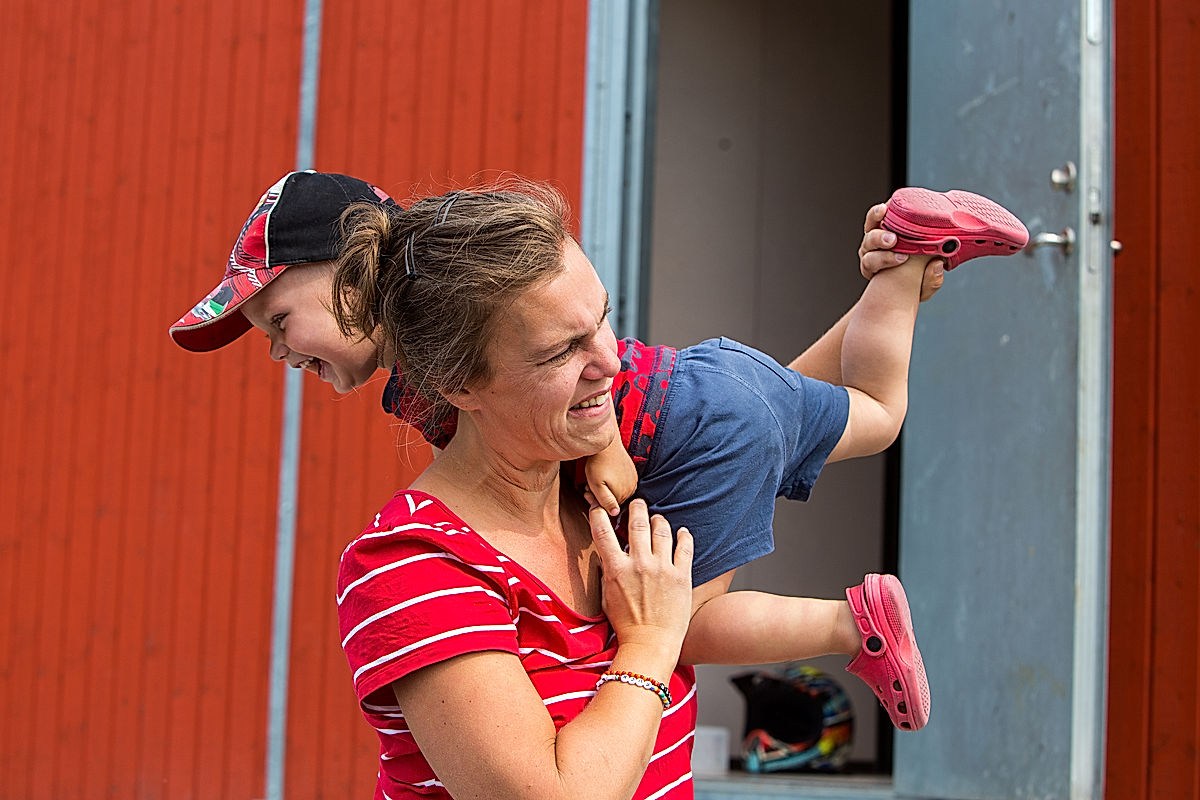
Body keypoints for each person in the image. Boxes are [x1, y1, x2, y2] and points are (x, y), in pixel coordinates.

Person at [168, 172, 1023, 795]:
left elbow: (695, 423)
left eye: (280, 321)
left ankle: (851, 623)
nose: (609, 362)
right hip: (716, 390)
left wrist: (618, 487)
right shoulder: (422, 566)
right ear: (454, 380)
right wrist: (647, 646)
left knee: (695, 615)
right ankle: (900, 275)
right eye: (560, 354)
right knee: (851, 422)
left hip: (710, 408)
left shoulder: (611, 522)